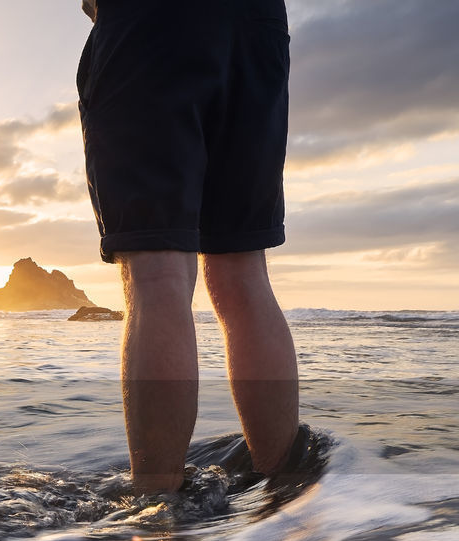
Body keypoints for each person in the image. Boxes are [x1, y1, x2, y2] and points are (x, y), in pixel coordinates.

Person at [78, 0, 303, 494]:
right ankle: (286, 499)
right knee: (243, 272)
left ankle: (159, 513)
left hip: (150, 23)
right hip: (256, 25)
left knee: (157, 273)